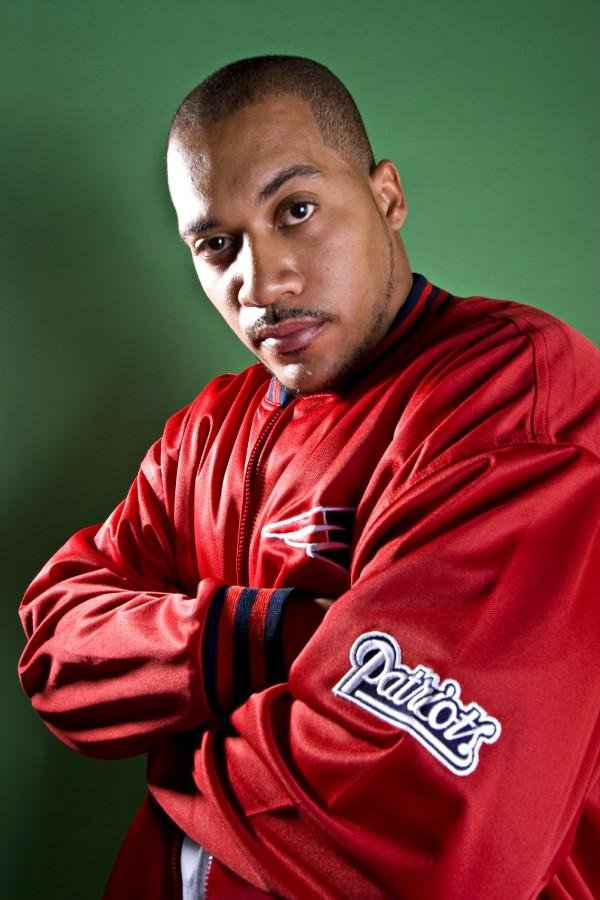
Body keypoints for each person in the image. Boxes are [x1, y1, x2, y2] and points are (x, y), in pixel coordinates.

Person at [18, 55, 600, 900]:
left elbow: (422, 833)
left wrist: (176, 747)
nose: (262, 282)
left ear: (387, 198)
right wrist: (265, 637)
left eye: (296, 210)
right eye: (216, 244)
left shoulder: (512, 394)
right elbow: (57, 655)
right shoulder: (208, 430)